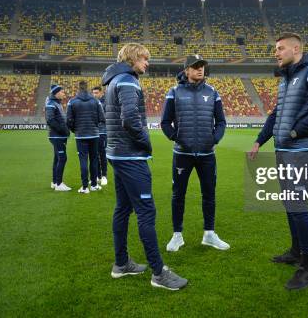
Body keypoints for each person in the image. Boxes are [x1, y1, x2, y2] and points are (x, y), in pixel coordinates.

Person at [102, 43, 188, 291]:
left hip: (118, 154)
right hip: (130, 156)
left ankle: (121, 264)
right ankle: (159, 273)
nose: (147, 63)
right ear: (132, 58)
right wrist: (146, 142)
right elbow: (129, 119)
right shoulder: (127, 80)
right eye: (144, 59)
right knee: (146, 212)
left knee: (122, 209)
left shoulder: (114, 80)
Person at [249, 33, 308, 291]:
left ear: (296, 49)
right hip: (283, 150)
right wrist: (259, 141)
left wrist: (295, 132)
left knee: (298, 204)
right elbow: (276, 114)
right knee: (290, 203)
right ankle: (296, 251)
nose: (276, 52)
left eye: (280, 48)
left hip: (301, 150)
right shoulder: (286, 78)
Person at [160, 54, 229, 252]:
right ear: (186, 70)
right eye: (196, 66)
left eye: (202, 66)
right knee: (178, 195)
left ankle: (209, 234)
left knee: (209, 194)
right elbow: (165, 122)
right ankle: (177, 235)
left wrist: (215, 138)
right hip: (182, 153)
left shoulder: (213, 92)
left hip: (207, 155)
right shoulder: (174, 92)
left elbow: (221, 122)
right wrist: (176, 137)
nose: (200, 69)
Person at [67, 81, 105, 193]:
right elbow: (102, 118)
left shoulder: (72, 102)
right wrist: (94, 126)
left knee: (83, 160)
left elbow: (69, 120)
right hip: (94, 134)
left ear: (78, 88)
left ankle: (84, 187)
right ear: (88, 88)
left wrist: (75, 129)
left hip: (80, 135)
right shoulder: (96, 101)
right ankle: (94, 185)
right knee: (94, 160)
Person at [45, 84, 71, 192]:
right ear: (56, 93)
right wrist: (63, 130)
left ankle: (55, 182)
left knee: (57, 158)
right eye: (62, 92)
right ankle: (59, 184)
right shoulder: (51, 104)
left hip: (59, 136)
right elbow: (50, 120)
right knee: (62, 158)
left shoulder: (56, 103)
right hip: (57, 136)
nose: (64, 93)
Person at [91, 86, 108, 186]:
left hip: (102, 131)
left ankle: (104, 176)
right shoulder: (92, 102)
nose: (94, 95)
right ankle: (97, 175)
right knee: (94, 155)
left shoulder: (105, 103)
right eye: (93, 93)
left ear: (101, 93)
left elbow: (105, 117)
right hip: (93, 132)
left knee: (102, 154)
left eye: (96, 93)